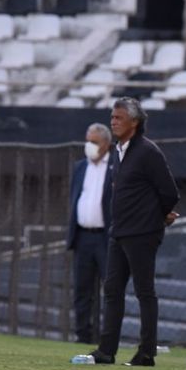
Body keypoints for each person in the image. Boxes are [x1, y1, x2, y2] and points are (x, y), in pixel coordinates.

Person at [76, 97, 179, 367]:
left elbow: (169, 192)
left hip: (142, 233)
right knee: (112, 290)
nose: (113, 121)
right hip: (119, 232)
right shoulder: (119, 152)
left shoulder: (148, 152)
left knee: (144, 291)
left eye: (118, 117)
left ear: (134, 122)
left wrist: (156, 217)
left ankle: (146, 353)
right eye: (112, 117)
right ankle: (106, 350)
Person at [67, 123, 113, 344]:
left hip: (106, 238)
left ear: (106, 144)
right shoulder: (80, 167)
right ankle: (83, 335)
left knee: (110, 289)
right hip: (83, 236)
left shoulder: (115, 166)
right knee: (82, 290)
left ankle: (107, 336)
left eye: (94, 142)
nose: (89, 146)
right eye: (88, 140)